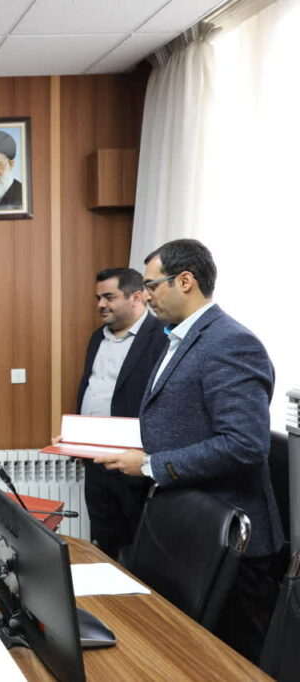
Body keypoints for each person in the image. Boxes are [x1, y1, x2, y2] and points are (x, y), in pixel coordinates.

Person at [95, 239, 283, 662]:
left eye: (151, 285)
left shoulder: (231, 342)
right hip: (190, 531)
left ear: (184, 281)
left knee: (232, 662)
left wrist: (150, 465)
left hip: (231, 540)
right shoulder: (181, 338)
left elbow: (245, 444)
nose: (145, 296)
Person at [74, 267, 167, 559]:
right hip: (95, 461)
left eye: (109, 297)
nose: (101, 304)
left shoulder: (161, 338)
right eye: (98, 298)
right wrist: (75, 437)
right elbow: (92, 390)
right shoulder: (97, 338)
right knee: (104, 541)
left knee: (137, 547)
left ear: (136, 297)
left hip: (134, 465)